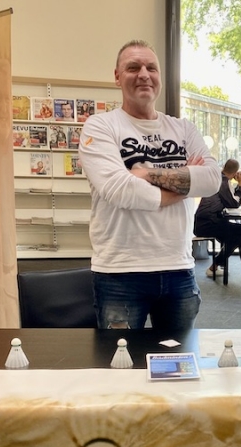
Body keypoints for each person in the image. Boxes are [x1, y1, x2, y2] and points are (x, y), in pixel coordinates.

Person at [78, 39, 221, 330]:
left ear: (160, 76)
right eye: (133, 67)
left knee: (178, 355)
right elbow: (120, 190)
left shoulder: (183, 128)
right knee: (120, 356)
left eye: (151, 68)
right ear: (117, 76)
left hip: (180, 268)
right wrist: (185, 185)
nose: (144, 74)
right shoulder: (100, 126)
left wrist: (143, 174)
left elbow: (211, 180)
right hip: (119, 271)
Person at [194, 159, 241, 283]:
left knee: (240, 233)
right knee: (240, 233)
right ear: (235, 173)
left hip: (204, 222)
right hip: (208, 223)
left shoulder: (218, 178)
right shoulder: (223, 182)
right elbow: (234, 203)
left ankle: (217, 267)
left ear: (224, 167)